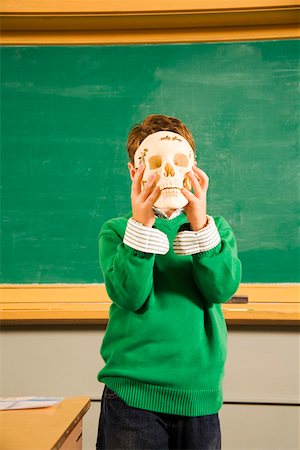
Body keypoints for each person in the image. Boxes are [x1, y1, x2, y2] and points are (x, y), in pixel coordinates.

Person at [96, 114, 242, 450]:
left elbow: (220, 289)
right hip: (133, 393)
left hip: (198, 394)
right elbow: (129, 296)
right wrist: (141, 228)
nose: (168, 173)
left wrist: (200, 225)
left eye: (178, 162)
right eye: (156, 163)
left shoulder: (215, 230)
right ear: (135, 171)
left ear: (193, 168)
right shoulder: (117, 231)